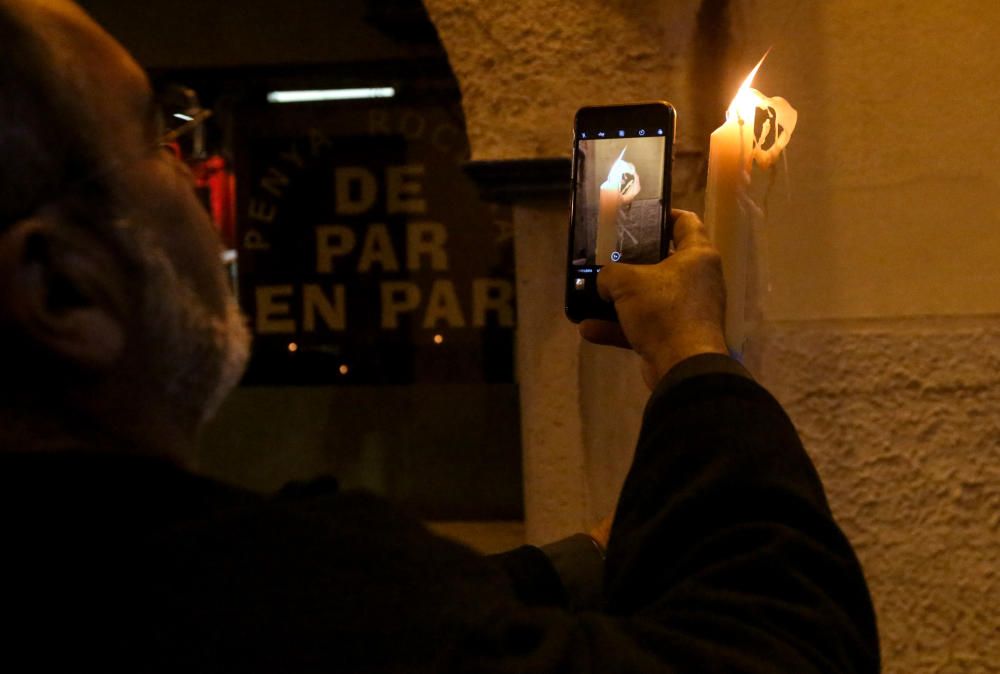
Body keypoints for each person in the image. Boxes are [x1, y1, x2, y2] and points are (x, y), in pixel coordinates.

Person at [0, 0, 880, 671]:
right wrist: (693, 356)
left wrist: (591, 562)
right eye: (158, 140)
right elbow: (789, 646)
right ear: (61, 286)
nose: (195, 177)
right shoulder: (267, 597)